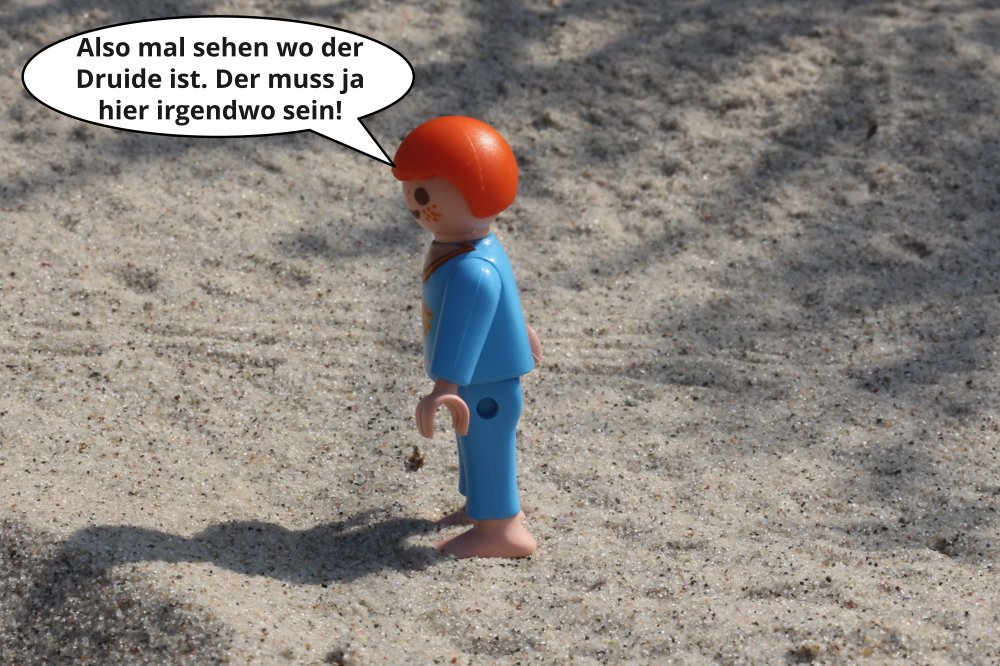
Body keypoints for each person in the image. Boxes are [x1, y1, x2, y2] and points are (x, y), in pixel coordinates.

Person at [392, 116, 542, 558]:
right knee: (473, 442)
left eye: (424, 194)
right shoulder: (471, 248)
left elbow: (466, 326)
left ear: (476, 193)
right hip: (488, 371)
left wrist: (446, 384)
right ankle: (480, 508)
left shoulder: (470, 268)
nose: (415, 204)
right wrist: (521, 332)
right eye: (410, 192)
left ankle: (500, 529)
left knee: (486, 445)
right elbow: (498, 305)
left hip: (483, 377)